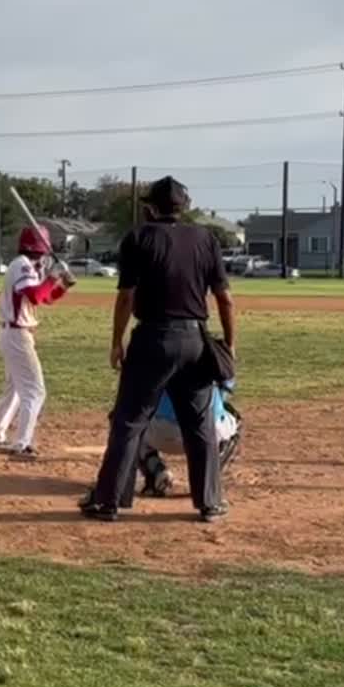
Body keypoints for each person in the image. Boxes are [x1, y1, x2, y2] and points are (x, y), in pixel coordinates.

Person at [80, 176, 236, 523]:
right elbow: (225, 298)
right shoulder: (205, 238)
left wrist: (116, 341)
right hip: (196, 339)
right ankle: (210, 502)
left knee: (129, 421)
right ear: (184, 207)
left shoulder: (139, 237)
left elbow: (126, 297)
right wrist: (229, 343)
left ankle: (109, 502)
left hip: (152, 337)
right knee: (199, 424)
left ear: (151, 207)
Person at [0, 225, 74, 462]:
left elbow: (43, 299)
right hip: (16, 335)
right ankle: (22, 444)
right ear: (40, 247)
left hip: (15, 334)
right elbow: (34, 295)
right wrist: (53, 276)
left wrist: (62, 287)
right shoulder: (21, 264)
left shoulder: (29, 267)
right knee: (35, 390)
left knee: (14, 389)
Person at [139, 381, 242, 497]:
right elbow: (225, 388)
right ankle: (206, 478)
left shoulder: (153, 362)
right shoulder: (212, 362)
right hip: (203, 434)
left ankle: (155, 470)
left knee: (125, 422)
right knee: (234, 420)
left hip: (158, 434)